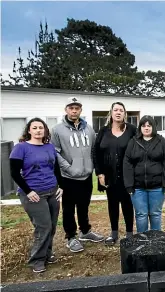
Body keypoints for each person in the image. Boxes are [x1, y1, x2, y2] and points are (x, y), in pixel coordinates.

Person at [9, 118, 63, 273]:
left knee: (52, 226)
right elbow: (14, 173)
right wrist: (28, 191)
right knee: (43, 226)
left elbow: (56, 169)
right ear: (29, 131)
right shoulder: (21, 148)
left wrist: (61, 186)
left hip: (52, 191)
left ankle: (47, 254)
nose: (38, 130)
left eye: (41, 127)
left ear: (45, 130)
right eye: (35, 127)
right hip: (33, 194)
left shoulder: (49, 147)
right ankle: (37, 260)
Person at [51, 97, 104, 253]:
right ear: (66, 110)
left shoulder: (88, 128)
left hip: (86, 175)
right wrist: (67, 167)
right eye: (71, 108)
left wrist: (94, 168)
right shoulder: (57, 130)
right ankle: (71, 237)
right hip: (68, 177)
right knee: (68, 209)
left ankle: (85, 231)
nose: (74, 111)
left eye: (77, 108)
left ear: (80, 110)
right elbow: (54, 152)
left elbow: (94, 150)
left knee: (84, 206)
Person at [93, 102, 137, 245]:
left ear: (125, 114)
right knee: (112, 203)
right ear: (111, 113)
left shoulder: (132, 130)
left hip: (127, 175)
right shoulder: (103, 131)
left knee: (127, 204)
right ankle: (113, 233)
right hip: (108, 175)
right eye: (115, 110)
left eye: (121, 110)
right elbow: (96, 152)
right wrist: (99, 173)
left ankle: (130, 234)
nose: (118, 112)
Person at [123, 115, 165, 233]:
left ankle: (155, 242)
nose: (146, 128)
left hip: (157, 187)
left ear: (153, 127)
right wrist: (129, 185)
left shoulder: (162, 142)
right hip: (137, 188)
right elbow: (127, 164)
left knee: (155, 214)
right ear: (140, 127)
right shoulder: (133, 142)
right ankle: (142, 241)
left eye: (149, 125)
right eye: (143, 125)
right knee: (141, 215)